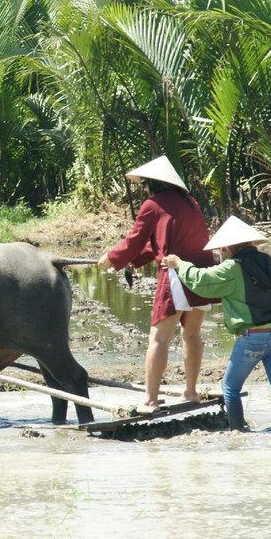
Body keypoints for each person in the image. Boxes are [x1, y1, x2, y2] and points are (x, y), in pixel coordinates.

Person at [96, 155, 216, 412]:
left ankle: (150, 400)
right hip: (202, 273)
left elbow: (135, 240)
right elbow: (156, 243)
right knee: (192, 334)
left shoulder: (152, 205)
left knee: (159, 339)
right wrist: (131, 261)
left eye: (145, 185)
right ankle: (191, 392)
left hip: (176, 272)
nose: (144, 190)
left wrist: (113, 257)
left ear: (151, 184)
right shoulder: (189, 202)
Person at [161, 216, 271, 432]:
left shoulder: (232, 268)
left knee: (229, 388)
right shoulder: (265, 262)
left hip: (252, 339)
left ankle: (238, 435)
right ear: (252, 244)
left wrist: (179, 264)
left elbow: (201, 281)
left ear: (226, 248)